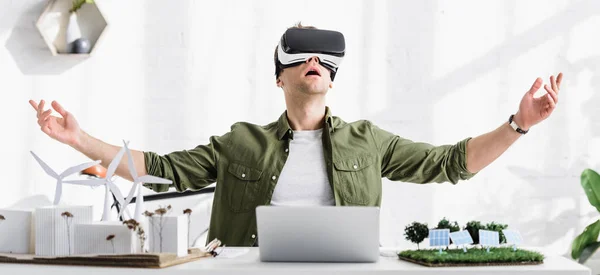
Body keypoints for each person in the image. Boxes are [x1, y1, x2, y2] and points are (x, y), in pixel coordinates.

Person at [29, 23, 563, 247]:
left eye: (324, 58)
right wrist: (80, 139)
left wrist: (519, 124)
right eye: (300, 56)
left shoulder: (368, 141)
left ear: (332, 76)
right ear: (279, 77)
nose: (314, 62)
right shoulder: (240, 142)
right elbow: (159, 168)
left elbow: (451, 163)